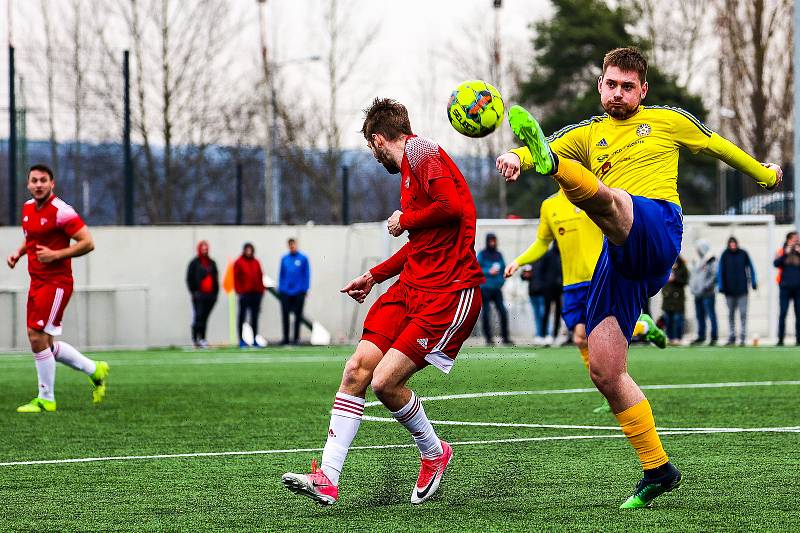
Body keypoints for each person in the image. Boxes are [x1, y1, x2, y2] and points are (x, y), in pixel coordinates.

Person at [496, 47, 781, 507]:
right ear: (600, 85)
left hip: (658, 224)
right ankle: (657, 467)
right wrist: (515, 155)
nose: (618, 93)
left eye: (628, 87)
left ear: (642, 90)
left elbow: (718, 145)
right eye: (611, 84)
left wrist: (764, 173)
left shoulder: (666, 120)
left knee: (612, 200)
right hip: (620, 254)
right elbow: (538, 146)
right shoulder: (588, 132)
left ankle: (561, 173)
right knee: (604, 369)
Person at [282, 97, 484, 506]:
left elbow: (454, 207)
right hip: (411, 287)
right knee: (356, 370)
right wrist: (374, 276)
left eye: (371, 149)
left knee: (384, 382)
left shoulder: (421, 151)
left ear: (377, 140)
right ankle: (327, 477)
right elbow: (421, 246)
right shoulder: (412, 168)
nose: (374, 157)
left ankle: (434, 452)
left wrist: (402, 219)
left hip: (448, 292)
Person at [506, 189, 667, 415]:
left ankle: (639, 334)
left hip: (599, 278)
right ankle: (641, 330)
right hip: (572, 285)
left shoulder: (591, 193)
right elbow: (542, 242)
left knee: (600, 336)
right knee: (581, 338)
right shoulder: (549, 205)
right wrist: (519, 261)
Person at [5, 164, 110, 413]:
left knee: (36, 336)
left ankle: (47, 398)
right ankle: (94, 370)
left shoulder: (62, 211)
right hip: (37, 281)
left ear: (52, 184)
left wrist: (56, 254)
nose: (38, 184)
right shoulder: (28, 208)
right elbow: (32, 237)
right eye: (34, 180)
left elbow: (88, 243)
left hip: (57, 283)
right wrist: (19, 253)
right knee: (45, 341)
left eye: (43, 180)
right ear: (28, 184)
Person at [718, 236, 757, 346]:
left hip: (742, 290)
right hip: (729, 290)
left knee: (743, 314)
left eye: (734, 243)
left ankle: (743, 337)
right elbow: (720, 271)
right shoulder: (724, 255)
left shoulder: (743, 254)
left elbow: (751, 268)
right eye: (731, 243)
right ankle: (732, 336)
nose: (732, 245)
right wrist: (721, 286)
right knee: (731, 314)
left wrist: (753, 282)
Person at [477, 233, 511, 345]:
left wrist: (501, 282)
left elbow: (504, 270)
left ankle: (505, 338)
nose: (493, 243)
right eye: (491, 241)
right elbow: (477, 269)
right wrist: (488, 271)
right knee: (486, 313)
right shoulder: (482, 254)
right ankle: (488, 338)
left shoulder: (498, 254)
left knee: (503, 311)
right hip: (485, 288)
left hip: (497, 289)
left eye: (494, 240)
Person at [186, 240, 219, 348]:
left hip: (210, 296)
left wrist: (215, 293)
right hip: (199, 295)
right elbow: (189, 278)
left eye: (206, 248)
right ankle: (195, 339)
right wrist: (194, 292)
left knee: (205, 318)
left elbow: (216, 279)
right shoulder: (194, 263)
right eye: (203, 248)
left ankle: (203, 339)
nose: (205, 250)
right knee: (198, 317)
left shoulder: (212, 263)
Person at [278, 238, 310, 345]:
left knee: (298, 315)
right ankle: (286, 338)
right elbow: (281, 275)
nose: (292, 247)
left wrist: (305, 289)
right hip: (286, 292)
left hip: (299, 291)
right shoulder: (284, 259)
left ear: (296, 245)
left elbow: (306, 274)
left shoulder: (303, 258)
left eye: (294, 244)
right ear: (288, 246)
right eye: (290, 245)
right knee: (285, 315)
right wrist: (281, 289)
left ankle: (296, 338)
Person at [233, 242, 264, 348]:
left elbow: (260, 276)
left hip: (255, 294)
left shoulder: (256, 262)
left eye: (250, 250)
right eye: (247, 250)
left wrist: (261, 291)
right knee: (242, 317)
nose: (249, 252)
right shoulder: (239, 262)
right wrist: (239, 291)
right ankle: (241, 340)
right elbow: (236, 278)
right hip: (244, 294)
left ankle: (254, 338)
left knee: (254, 318)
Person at [689, 239, 719, 346]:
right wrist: (693, 287)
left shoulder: (711, 260)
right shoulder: (697, 260)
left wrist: (706, 286)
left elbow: (714, 275)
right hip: (697, 294)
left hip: (708, 293)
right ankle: (701, 336)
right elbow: (693, 276)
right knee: (699, 316)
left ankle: (714, 336)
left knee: (711, 315)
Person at [773, 231, 800, 346]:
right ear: (789, 239)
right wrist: (785, 253)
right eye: (794, 238)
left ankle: (798, 339)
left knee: (799, 314)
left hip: (798, 288)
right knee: (783, 313)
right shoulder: (781, 250)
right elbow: (775, 263)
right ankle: (780, 339)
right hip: (785, 287)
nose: (796, 240)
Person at [661, 256, 689, 345]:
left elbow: (685, 281)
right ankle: (670, 337)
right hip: (667, 298)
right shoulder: (665, 266)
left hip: (678, 298)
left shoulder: (682, 267)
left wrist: (675, 279)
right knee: (668, 319)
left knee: (678, 319)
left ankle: (678, 337)